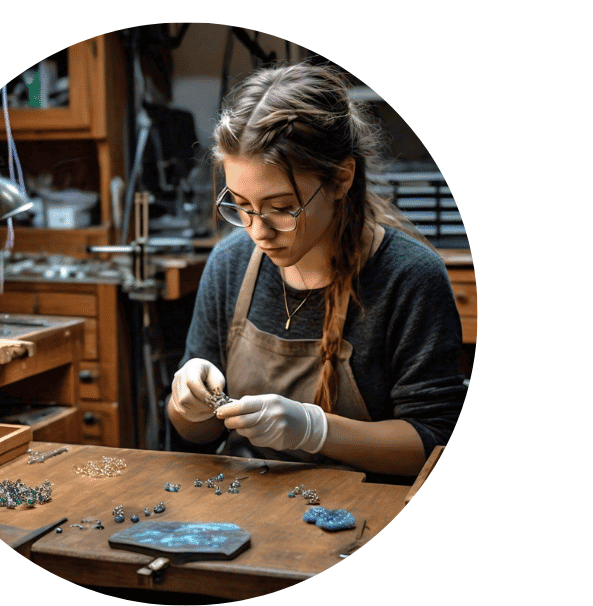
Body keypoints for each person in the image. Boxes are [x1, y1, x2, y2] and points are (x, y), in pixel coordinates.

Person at [166, 63, 466, 479]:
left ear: (341, 179)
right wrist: (187, 403)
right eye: (241, 205)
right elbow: (194, 438)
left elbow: (435, 442)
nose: (258, 231)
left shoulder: (409, 278)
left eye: (283, 207)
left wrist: (316, 430)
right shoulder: (230, 264)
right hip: (242, 509)